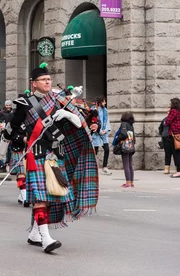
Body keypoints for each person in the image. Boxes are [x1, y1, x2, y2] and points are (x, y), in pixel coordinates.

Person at [19, 63, 98, 253]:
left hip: (55, 154)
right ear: (34, 83)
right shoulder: (24, 102)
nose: (47, 82)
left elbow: (80, 123)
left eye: (49, 79)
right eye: (43, 80)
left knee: (49, 197)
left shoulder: (59, 100)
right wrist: (8, 144)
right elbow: (14, 126)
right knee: (41, 197)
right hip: (37, 153)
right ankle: (46, 239)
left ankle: (35, 234)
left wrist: (66, 115)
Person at [114, 112, 136, 187]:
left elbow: (123, 134)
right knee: (130, 164)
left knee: (126, 165)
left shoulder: (123, 124)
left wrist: (118, 139)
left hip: (125, 145)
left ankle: (128, 182)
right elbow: (133, 136)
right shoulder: (131, 125)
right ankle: (131, 182)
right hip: (130, 145)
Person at [92, 96, 112, 175]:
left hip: (104, 133)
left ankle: (104, 167)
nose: (105, 103)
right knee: (95, 150)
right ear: (100, 102)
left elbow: (107, 121)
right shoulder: (94, 110)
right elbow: (93, 122)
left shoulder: (105, 110)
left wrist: (105, 130)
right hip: (96, 133)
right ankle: (92, 167)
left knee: (107, 149)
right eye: (103, 102)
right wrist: (99, 131)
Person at [164, 98, 180, 178]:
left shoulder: (173, 111)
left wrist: (168, 114)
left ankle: (178, 172)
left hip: (175, 135)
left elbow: (167, 122)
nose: (169, 104)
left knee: (176, 153)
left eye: (170, 103)